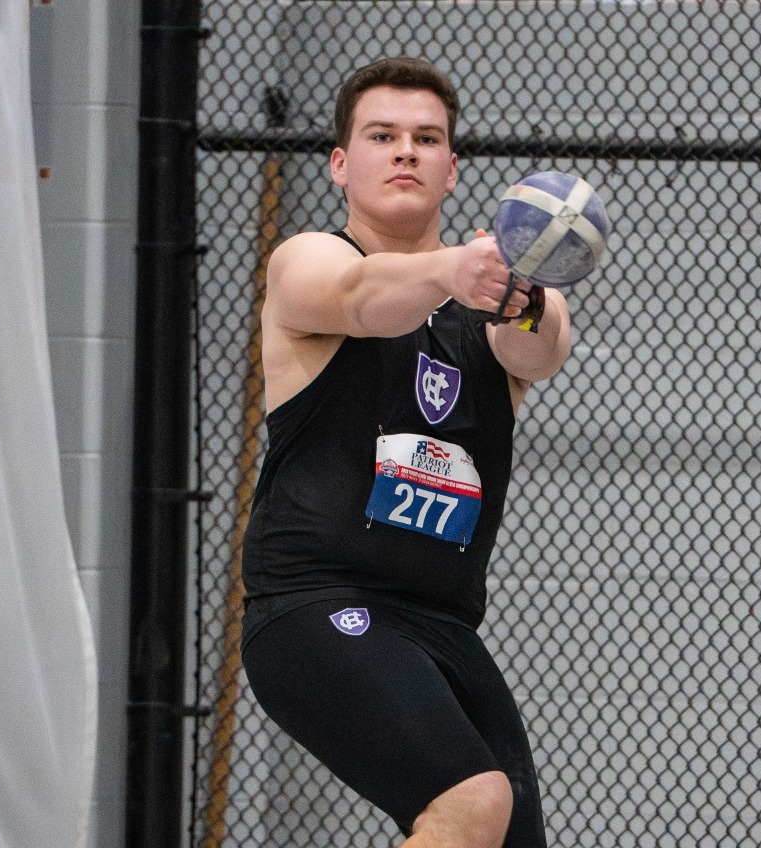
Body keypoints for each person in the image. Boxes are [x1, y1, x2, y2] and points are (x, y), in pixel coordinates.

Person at [239, 56, 572, 848]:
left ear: (452, 169)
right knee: (471, 802)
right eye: (382, 135)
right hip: (315, 605)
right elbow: (364, 301)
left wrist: (525, 294)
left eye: (427, 139)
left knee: (504, 834)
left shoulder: (494, 298)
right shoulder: (309, 262)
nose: (406, 151)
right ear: (341, 164)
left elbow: (538, 351)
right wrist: (451, 269)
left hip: (440, 624)